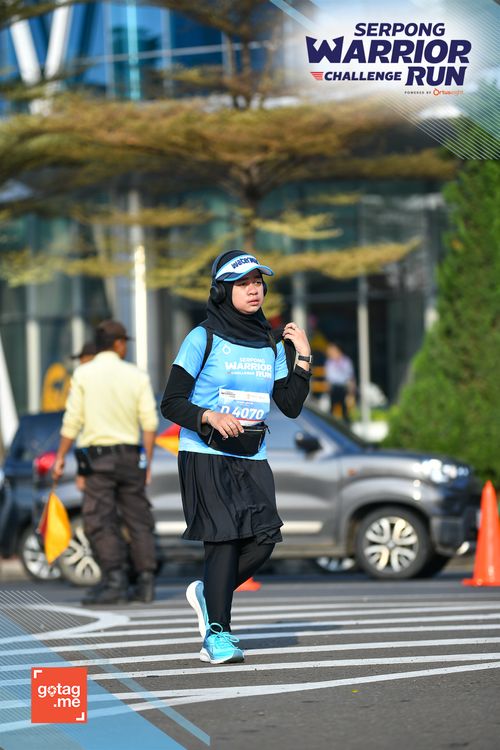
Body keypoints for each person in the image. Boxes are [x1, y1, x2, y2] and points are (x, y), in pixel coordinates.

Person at [161, 250, 311, 665]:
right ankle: (217, 635)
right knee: (224, 540)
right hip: (205, 452)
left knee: (263, 541)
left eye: (258, 282)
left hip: (252, 453)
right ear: (222, 291)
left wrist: (303, 356)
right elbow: (171, 402)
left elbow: (290, 405)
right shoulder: (202, 338)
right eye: (243, 283)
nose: (253, 290)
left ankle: (208, 594)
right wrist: (208, 415)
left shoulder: (268, 343)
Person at [52, 319, 159, 605]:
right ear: (118, 344)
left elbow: (72, 421)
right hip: (130, 457)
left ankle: (115, 580)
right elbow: (149, 423)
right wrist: (147, 462)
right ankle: (146, 582)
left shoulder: (83, 374)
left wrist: (60, 457)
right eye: (125, 343)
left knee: (101, 519)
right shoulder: (137, 375)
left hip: (98, 460)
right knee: (138, 519)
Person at [325, 342, 356, 422]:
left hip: (344, 388)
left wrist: (351, 393)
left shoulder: (346, 361)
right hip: (334, 388)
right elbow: (329, 378)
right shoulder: (329, 362)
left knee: (345, 412)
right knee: (331, 411)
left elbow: (350, 377)